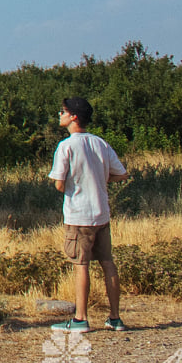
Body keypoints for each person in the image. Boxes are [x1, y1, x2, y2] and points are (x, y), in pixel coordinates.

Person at [50, 96, 130, 332]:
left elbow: (59, 184)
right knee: (108, 263)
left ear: (73, 116)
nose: (60, 115)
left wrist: (74, 184)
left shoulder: (66, 146)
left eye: (63, 111)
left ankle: (80, 319)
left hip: (79, 215)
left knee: (81, 265)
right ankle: (115, 317)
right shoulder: (100, 143)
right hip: (101, 213)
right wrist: (100, 179)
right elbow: (121, 174)